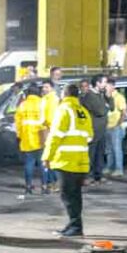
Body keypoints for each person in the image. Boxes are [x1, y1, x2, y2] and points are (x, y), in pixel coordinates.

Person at [42, 83, 93, 237]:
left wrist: (47, 156)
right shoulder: (83, 111)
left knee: (68, 195)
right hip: (81, 161)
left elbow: (55, 136)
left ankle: (75, 226)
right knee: (75, 195)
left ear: (65, 94)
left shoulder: (64, 110)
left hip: (66, 161)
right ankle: (74, 225)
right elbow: (89, 136)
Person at [80, 76, 113, 185]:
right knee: (90, 154)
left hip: (102, 130)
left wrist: (108, 96)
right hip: (93, 130)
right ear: (97, 83)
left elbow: (111, 107)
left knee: (100, 153)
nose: (106, 85)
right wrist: (106, 106)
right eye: (104, 82)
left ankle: (98, 175)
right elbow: (101, 111)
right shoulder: (90, 96)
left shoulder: (101, 95)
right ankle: (86, 176)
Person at [14, 85, 46, 194]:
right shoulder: (42, 103)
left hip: (27, 137)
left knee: (29, 163)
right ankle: (44, 186)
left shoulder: (22, 105)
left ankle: (28, 186)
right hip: (41, 136)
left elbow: (17, 123)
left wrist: (19, 135)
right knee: (42, 163)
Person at [104, 78, 127, 178]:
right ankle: (109, 167)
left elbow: (124, 112)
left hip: (116, 127)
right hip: (107, 126)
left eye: (107, 85)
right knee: (109, 149)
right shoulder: (104, 97)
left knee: (117, 148)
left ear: (113, 86)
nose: (105, 87)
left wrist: (118, 124)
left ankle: (119, 169)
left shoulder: (119, 97)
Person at [40, 79, 60, 191]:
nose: (44, 89)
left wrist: (47, 128)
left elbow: (50, 118)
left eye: (46, 87)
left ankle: (54, 183)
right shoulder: (45, 99)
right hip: (47, 130)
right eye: (43, 87)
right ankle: (50, 183)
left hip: (49, 131)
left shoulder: (52, 99)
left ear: (51, 88)